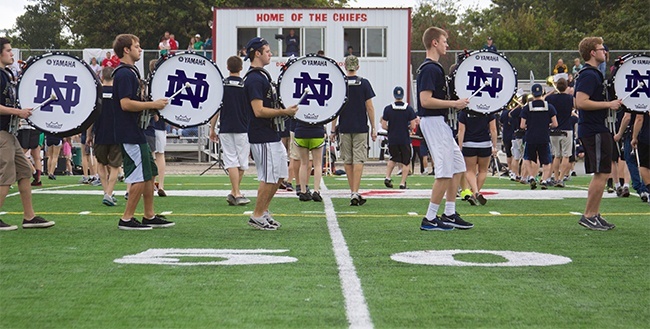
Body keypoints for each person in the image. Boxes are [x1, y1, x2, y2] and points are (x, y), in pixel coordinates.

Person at [111, 33, 174, 230]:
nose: (140, 49)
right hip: (129, 132)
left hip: (136, 130)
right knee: (139, 175)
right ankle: (127, 219)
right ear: (126, 50)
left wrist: (152, 107)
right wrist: (151, 104)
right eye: (136, 46)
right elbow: (126, 104)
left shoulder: (131, 72)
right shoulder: (124, 73)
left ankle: (149, 215)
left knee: (150, 173)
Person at [416, 27, 473, 231]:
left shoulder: (434, 67)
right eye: (444, 41)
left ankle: (449, 212)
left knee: (457, 165)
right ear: (434, 43)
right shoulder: (430, 68)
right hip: (433, 121)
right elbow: (425, 100)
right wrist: (454, 104)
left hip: (438, 121)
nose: (447, 44)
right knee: (444, 171)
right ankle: (429, 218)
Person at [242, 37, 298, 230]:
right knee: (269, 177)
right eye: (267, 51)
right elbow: (259, 111)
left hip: (271, 134)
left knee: (280, 174)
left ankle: (264, 211)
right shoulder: (254, 79)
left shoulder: (263, 76)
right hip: (261, 135)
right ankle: (257, 215)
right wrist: (285, 112)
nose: (270, 54)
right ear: (257, 53)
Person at [0, 37, 55, 231]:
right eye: (8, 50)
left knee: (24, 171)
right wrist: (18, 112)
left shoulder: (5, 75)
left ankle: (29, 217)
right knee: (5, 175)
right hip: (1, 133)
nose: (11, 54)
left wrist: (21, 110)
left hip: (9, 132)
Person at [574, 36, 622, 230]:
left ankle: (594, 213)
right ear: (593, 53)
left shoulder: (595, 74)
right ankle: (588, 215)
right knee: (601, 173)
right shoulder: (588, 74)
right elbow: (580, 102)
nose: (605, 52)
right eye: (602, 49)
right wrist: (608, 104)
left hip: (596, 128)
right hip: (593, 129)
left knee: (604, 172)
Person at [331, 55, 377, 206]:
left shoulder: (340, 84)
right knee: (359, 159)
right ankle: (355, 191)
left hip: (344, 127)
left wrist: (332, 130)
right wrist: (374, 127)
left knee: (347, 160)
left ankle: (352, 191)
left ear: (345, 66)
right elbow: (369, 107)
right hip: (360, 127)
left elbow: (335, 109)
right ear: (357, 67)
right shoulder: (364, 83)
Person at [209, 55, 251, 206]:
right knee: (242, 163)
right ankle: (236, 192)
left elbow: (216, 109)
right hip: (243, 127)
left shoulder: (222, 85)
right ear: (241, 68)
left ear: (227, 68)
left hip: (226, 127)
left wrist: (212, 128)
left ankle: (234, 192)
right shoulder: (246, 86)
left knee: (231, 160)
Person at [87, 66, 122, 206]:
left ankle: (105, 192)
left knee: (101, 163)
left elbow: (91, 117)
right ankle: (109, 192)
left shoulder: (97, 93)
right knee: (115, 165)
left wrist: (89, 134)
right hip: (116, 133)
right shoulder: (119, 93)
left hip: (100, 132)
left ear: (101, 77)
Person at [520, 84, 558, 190]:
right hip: (544, 136)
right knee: (546, 160)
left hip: (531, 136)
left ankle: (531, 176)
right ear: (542, 92)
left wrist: (531, 124)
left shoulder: (527, 107)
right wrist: (547, 124)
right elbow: (555, 124)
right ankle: (544, 180)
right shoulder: (549, 106)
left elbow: (522, 125)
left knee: (528, 158)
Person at [458, 109, 498, 204]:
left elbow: (461, 130)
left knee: (470, 170)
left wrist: (459, 147)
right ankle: (476, 193)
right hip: (485, 143)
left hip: (469, 143)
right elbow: (493, 129)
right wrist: (494, 146)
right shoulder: (488, 110)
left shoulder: (464, 112)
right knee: (483, 170)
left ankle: (475, 191)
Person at [382, 86, 417, 190]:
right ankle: (402, 183)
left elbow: (384, 125)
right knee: (406, 161)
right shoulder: (409, 109)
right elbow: (413, 125)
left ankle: (387, 177)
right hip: (404, 138)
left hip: (392, 138)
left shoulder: (388, 108)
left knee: (393, 158)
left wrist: (391, 129)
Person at [545, 78, 574, 186]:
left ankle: (555, 177)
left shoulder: (551, 98)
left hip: (554, 129)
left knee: (556, 156)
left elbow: (542, 99)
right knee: (566, 156)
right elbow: (576, 107)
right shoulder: (570, 98)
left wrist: (553, 90)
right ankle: (561, 178)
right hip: (567, 128)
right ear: (566, 87)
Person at [630, 111, 650, 202]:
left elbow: (639, 118)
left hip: (646, 136)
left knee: (644, 166)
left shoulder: (643, 99)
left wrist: (634, 137)